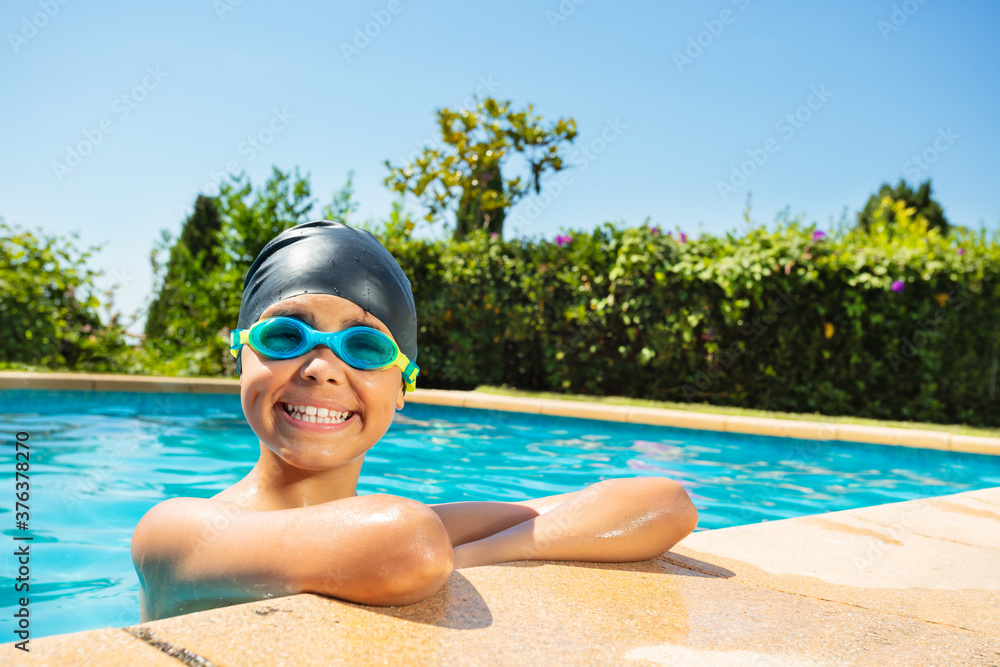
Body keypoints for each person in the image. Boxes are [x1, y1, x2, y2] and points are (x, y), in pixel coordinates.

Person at [131, 220, 698, 622]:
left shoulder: (410, 528)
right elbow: (405, 547)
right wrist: (464, 550)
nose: (322, 368)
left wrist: (475, 551)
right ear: (241, 358)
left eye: (365, 347)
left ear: (403, 387)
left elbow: (662, 503)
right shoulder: (176, 531)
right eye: (285, 335)